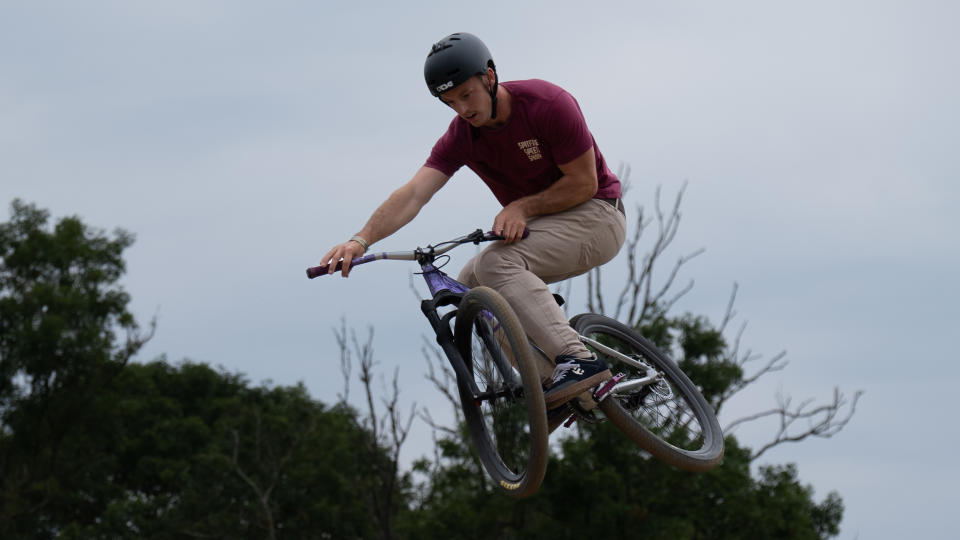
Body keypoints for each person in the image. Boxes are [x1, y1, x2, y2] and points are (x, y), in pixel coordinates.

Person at [320, 32, 626, 421]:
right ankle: (557, 385)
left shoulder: (548, 104)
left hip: (598, 215)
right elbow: (414, 193)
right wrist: (360, 240)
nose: (462, 109)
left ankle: (578, 359)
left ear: (491, 77)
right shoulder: (462, 137)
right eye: (450, 102)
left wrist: (522, 206)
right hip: (546, 229)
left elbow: (585, 184)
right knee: (470, 292)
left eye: (467, 95)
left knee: (498, 264)